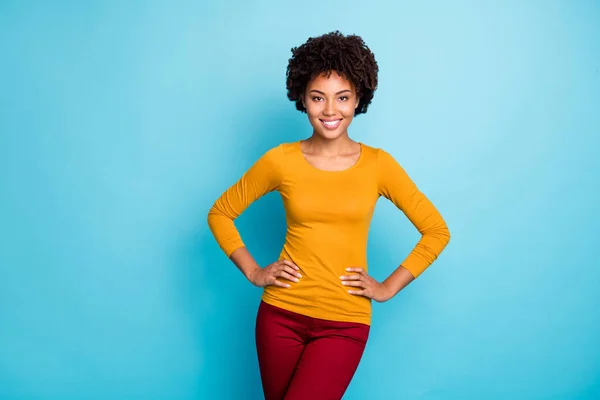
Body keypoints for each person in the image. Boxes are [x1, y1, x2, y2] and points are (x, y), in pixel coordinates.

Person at [207, 31, 450, 400]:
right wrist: (255, 271)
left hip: (345, 322)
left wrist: (386, 287)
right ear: (302, 99)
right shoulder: (280, 161)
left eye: (343, 98)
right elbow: (221, 213)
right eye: (318, 97)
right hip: (280, 316)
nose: (330, 110)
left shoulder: (379, 166)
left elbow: (436, 231)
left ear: (358, 100)